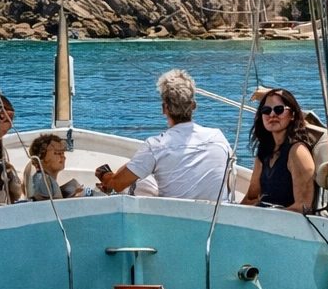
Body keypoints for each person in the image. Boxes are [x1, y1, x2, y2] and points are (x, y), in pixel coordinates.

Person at [95, 69, 232, 201]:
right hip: (218, 214)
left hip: (175, 215)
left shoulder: (156, 146)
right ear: (194, 106)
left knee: (140, 182)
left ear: (164, 108)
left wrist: (104, 175)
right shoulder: (218, 137)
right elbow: (229, 184)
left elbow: (116, 184)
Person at [239, 87, 316, 213]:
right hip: (262, 216)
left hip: (283, 220)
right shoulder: (264, 150)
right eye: (266, 110)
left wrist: (266, 217)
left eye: (279, 109)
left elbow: (303, 207)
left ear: (292, 115)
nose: (272, 115)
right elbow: (252, 197)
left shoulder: (297, 152)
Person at [28, 133, 87, 199]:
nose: (63, 157)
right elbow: (46, 204)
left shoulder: (46, 179)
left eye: (63, 153)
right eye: (57, 153)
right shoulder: (42, 180)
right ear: (41, 158)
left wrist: (73, 196)